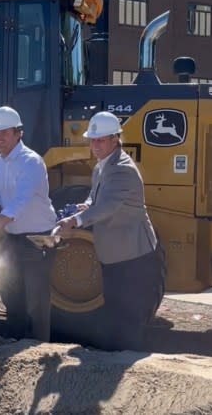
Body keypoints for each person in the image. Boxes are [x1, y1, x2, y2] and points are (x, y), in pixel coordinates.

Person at [55, 111, 164, 351]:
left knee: (129, 315)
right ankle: (117, 360)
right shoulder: (102, 167)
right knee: (115, 309)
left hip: (133, 256)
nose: (95, 144)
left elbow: (108, 206)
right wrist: (85, 205)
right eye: (92, 140)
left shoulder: (122, 169)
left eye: (101, 140)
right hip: (115, 254)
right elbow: (97, 200)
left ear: (115, 139)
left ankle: (126, 367)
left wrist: (76, 220)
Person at [0, 106, 56, 341]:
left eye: (4, 132)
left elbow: (17, 206)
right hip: (12, 237)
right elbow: (1, 198)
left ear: (18, 133)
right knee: (11, 295)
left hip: (37, 239)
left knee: (37, 302)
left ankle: (38, 348)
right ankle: (14, 345)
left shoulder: (31, 162)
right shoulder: (0, 162)